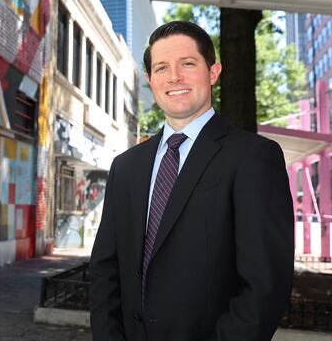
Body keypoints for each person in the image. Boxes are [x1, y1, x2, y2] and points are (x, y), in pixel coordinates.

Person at [89, 21, 294, 340]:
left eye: (187, 63)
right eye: (161, 68)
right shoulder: (125, 167)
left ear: (213, 72)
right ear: (150, 80)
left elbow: (265, 286)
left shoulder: (253, 158)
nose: (174, 77)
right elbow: (105, 271)